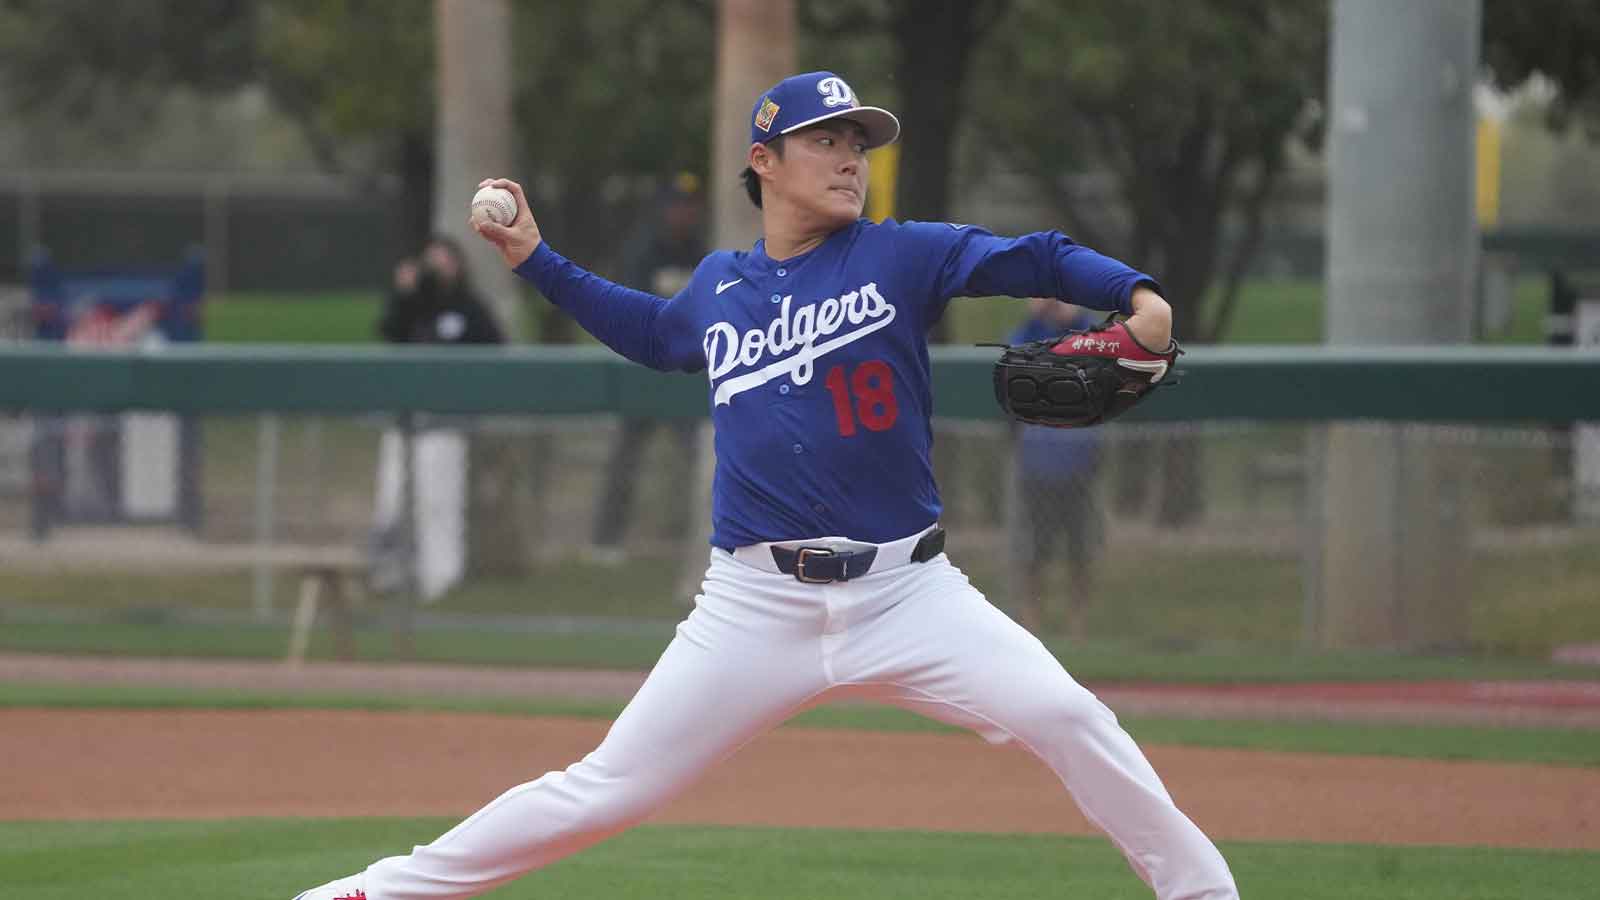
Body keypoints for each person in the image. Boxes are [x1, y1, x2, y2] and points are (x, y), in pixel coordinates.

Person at [294, 71, 1237, 900]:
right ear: (765, 160)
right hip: (751, 604)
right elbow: (651, 333)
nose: (847, 157)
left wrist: (1137, 294)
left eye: (857, 142)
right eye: (823, 139)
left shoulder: (899, 254)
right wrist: (534, 257)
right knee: (607, 786)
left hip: (907, 590)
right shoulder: (718, 287)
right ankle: (375, 895)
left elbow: (1027, 254)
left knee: (1068, 715)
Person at [370, 236, 504, 602]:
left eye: (445, 260)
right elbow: (387, 331)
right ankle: (389, 575)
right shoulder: (412, 305)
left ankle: (441, 580)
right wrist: (404, 292)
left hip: (446, 425)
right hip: (404, 421)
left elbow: (495, 349)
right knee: (392, 501)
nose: (437, 268)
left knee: (438, 503)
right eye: (431, 261)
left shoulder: (469, 308)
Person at [588, 173, 707, 563]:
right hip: (644, 372)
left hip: (685, 376)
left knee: (699, 455)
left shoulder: (699, 252)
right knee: (626, 456)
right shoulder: (644, 251)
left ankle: (700, 536)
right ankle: (606, 540)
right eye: (676, 206)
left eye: (689, 207)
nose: (683, 214)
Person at [1009, 298, 1107, 637]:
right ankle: (1031, 620)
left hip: (1079, 465)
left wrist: (1075, 316)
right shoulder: (1029, 334)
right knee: (1035, 550)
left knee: (1079, 550)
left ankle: (1077, 625)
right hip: (1037, 465)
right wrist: (1036, 320)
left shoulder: (1088, 330)